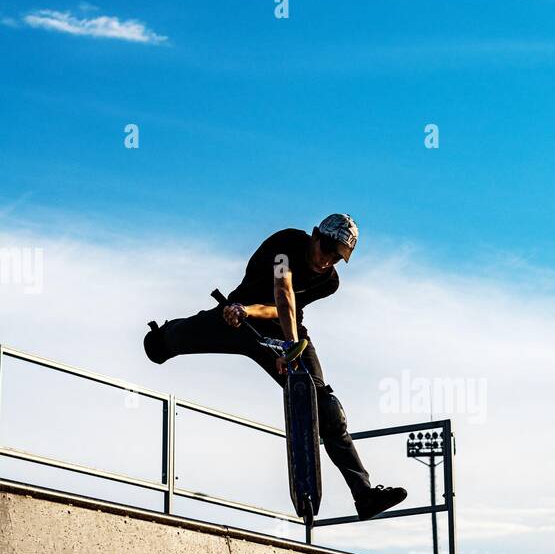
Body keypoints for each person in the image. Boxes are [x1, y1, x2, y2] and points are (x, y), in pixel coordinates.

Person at [144, 214, 407, 520]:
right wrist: (254, 316)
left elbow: (286, 307)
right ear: (314, 235)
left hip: (282, 332)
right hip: (236, 319)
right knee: (166, 343)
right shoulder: (286, 246)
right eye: (326, 249)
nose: (326, 261)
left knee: (327, 409)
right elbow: (282, 290)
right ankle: (161, 337)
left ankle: (364, 494)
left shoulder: (329, 282)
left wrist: (290, 346)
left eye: (336, 257)